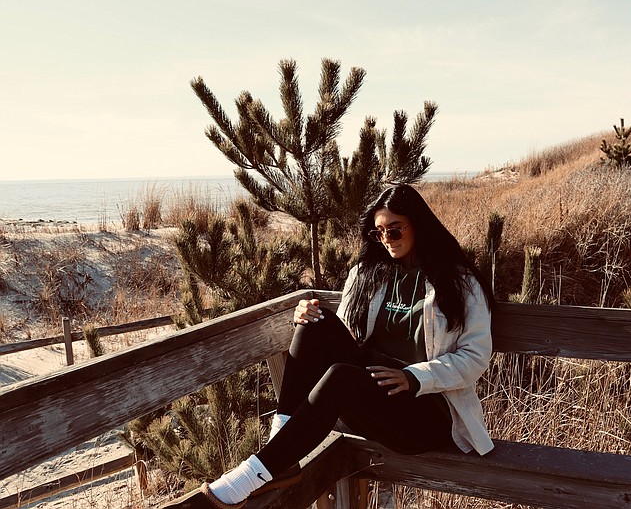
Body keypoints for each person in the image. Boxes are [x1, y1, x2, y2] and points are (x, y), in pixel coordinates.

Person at [161, 183, 495, 509]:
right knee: (314, 320)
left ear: (418, 225)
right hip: (373, 394)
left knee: (340, 378)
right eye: (379, 233)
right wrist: (302, 314)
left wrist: (414, 377)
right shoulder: (369, 272)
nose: (387, 240)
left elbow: (475, 356)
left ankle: (239, 484)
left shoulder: (458, 282)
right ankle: (280, 454)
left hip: (424, 412)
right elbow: (347, 334)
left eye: (395, 230)